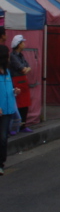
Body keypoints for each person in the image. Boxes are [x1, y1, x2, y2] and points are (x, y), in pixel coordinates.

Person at [1, 44, 20, 175]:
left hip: (8, 111)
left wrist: (14, 91)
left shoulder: (7, 72)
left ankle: (1, 162)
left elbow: (9, 89)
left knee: (3, 138)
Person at [9, 35, 32, 133]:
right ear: (18, 44)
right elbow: (23, 69)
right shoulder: (13, 56)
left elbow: (28, 67)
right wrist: (26, 69)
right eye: (22, 42)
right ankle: (16, 126)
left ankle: (23, 125)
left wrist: (26, 69)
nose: (24, 44)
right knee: (18, 105)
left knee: (25, 105)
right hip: (17, 81)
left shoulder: (21, 55)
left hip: (23, 81)